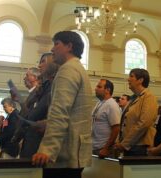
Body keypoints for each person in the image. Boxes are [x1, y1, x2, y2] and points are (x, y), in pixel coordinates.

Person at [32, 31, 93, 178]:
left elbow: (60, 112)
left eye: (56, 44)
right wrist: (48, 123)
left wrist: (47, 149)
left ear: (69, 46)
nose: (52, 49)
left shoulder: (67, 70)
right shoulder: (78, 68)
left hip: (65, 153)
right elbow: (74, 113)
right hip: (74, 151)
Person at [18, 53, 60, 158]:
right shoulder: (44, 87)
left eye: (43, 61)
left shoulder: (54, 85)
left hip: (40, 146)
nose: (39, 66)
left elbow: (34, 114)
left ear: (53, 64)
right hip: (31, 142)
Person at [114, 68, 158, 156]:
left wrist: (125, 144)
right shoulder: (133, 98)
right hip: (131, 146)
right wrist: (119, 141)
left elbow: (144, 123)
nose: (128, 79)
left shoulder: (148, 97)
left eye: (131, 76)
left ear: (140, 80)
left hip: (140, 147)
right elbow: (125, 123)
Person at [92, 79, 121, 158]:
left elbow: (116, 128)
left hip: (103, 148)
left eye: (99, 87)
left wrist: (106, 148)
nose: (95, 88)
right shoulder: (99, 103)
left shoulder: (112, 105)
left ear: (107, 90)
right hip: (95, 146)